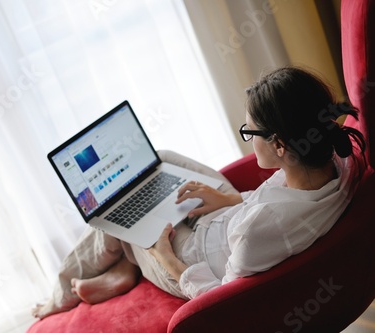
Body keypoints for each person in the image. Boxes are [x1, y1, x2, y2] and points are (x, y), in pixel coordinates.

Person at [32, 66, 366, 319]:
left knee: (115, 205)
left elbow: (222, 296)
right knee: (160, 161)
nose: (247, 137)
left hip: (193, 260)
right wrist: (230, 200)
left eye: (249, 131)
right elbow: (278, 207)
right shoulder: (339, 160)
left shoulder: (258, 231)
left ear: (279, 144)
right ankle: (125, 268)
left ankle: (65, 293)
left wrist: (163, 256)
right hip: (231, 217)